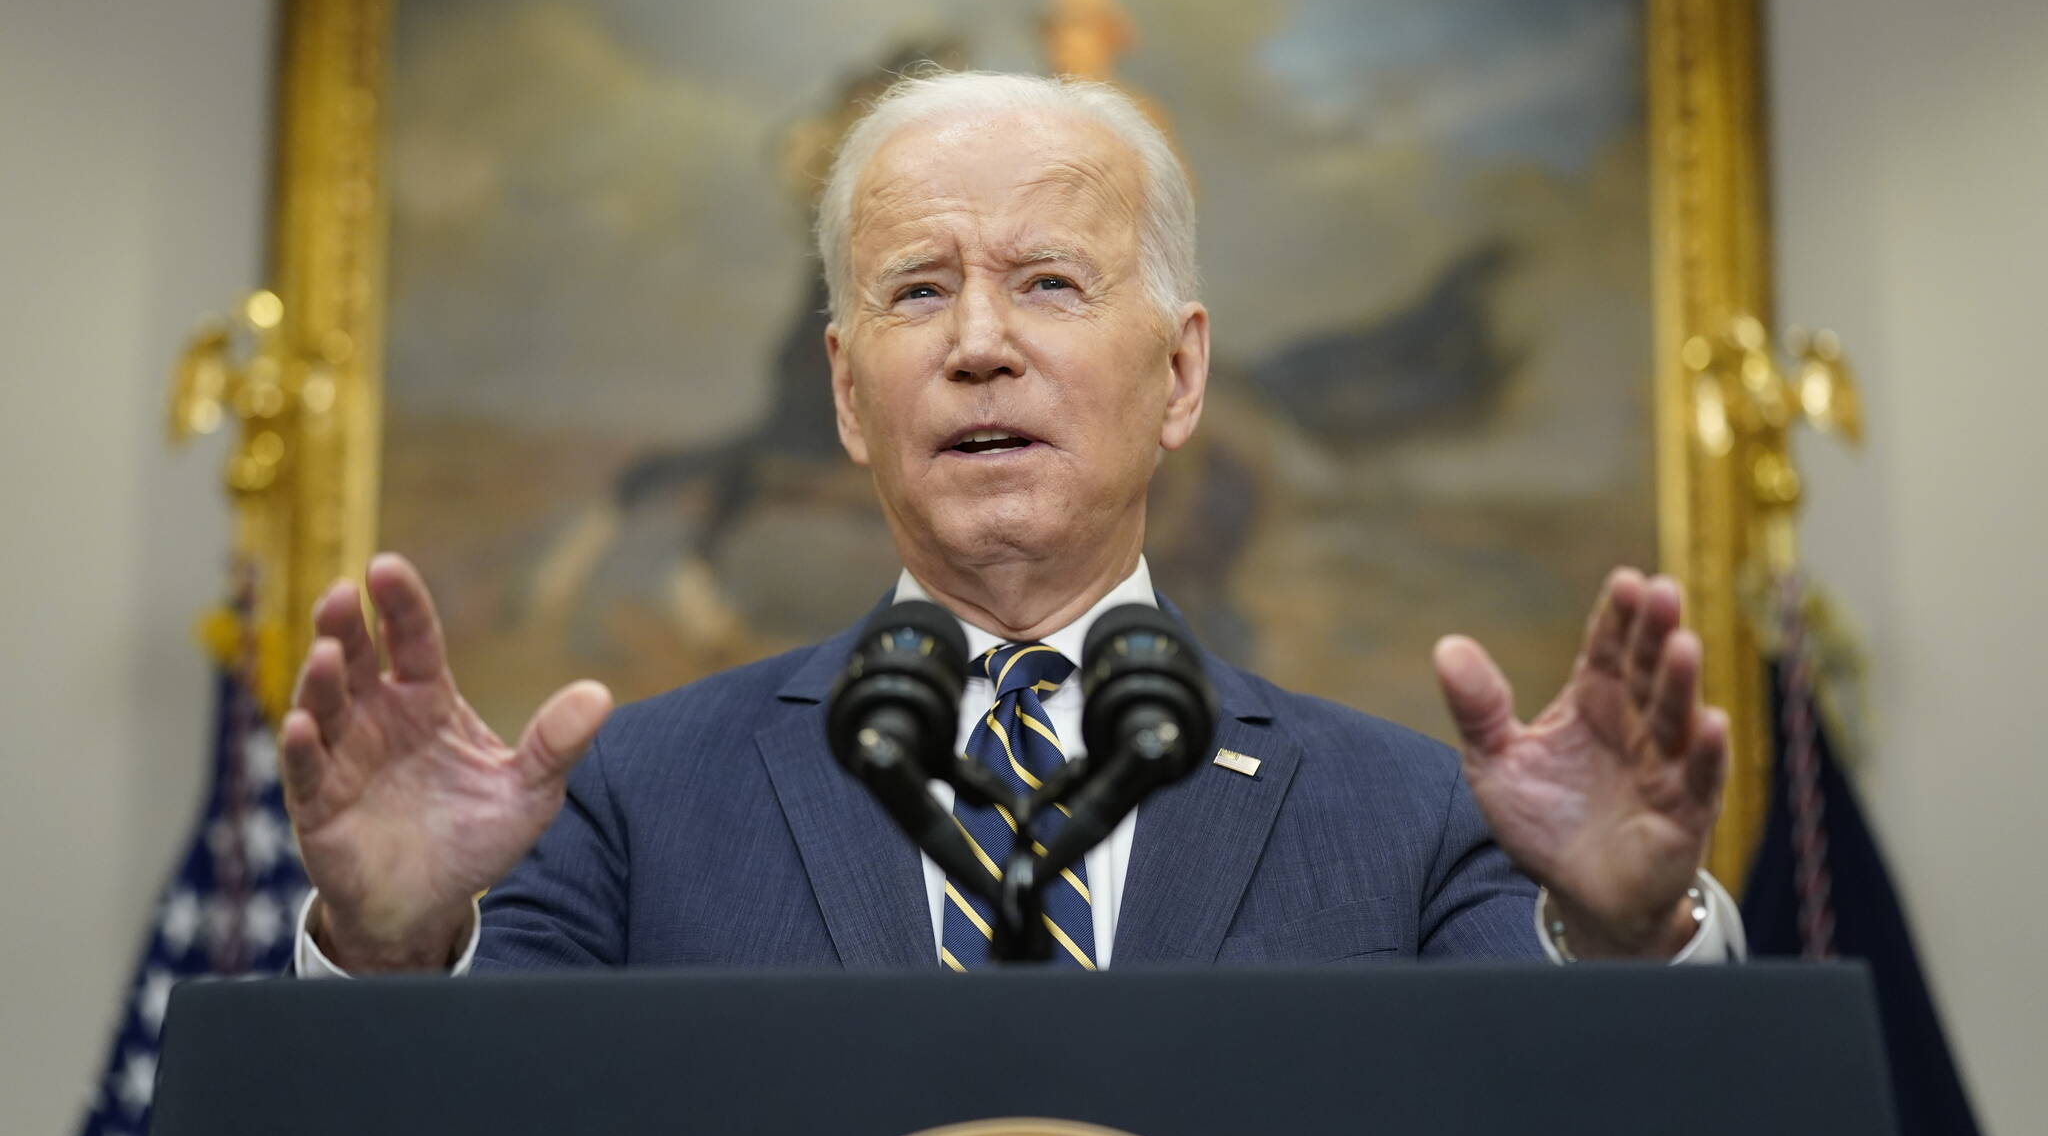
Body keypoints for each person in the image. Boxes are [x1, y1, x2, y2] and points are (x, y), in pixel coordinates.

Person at [280, 71, 1740, 976]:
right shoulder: (630, 804)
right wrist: (395, 950)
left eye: (1049, 281)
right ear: (849, 396)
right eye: (918, 289)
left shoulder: (1419, 824)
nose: (979, 342)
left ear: (1180, 374)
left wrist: (1622, 942)